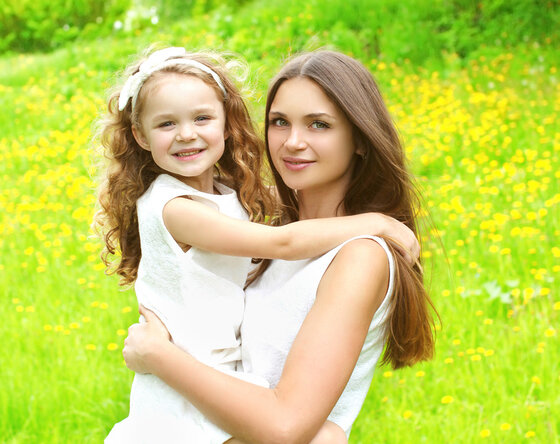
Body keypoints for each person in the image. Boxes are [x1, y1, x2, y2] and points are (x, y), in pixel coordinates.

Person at [94, 47, 420, 443]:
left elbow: (284, 428)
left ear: (361, 140)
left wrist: (158, 357)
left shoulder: (360, 255)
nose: (293, 142)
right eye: (279, 122)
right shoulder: (268, 226)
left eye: (319, 124)